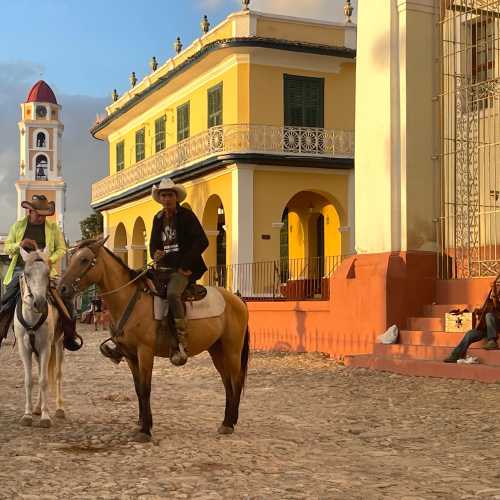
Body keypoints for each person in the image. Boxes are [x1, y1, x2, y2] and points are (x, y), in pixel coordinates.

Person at [100, 178, 209, 366]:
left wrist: (185, 265)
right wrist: (155, 254)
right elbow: (153, 246)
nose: (167, 198)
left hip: (182, 270)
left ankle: (181, 340)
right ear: (159, 198)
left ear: (176, 197)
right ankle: (122, 342)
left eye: (170, 195)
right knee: (137, 289)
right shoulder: (158, 219)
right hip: (162, 269)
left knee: (173, 294)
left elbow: (202, 241)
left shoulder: (186, 216)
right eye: (164, 195)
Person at [0, 195, 82, 351]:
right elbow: (7, 247)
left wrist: (50, 259)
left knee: (66, 299)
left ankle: (69, 335)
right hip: (21, 269)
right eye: (38, 214)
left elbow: (61, 248)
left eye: (44, 215)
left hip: (46, 270)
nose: (41, 218)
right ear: (30, 211)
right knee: (7, 300)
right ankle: (1, 331)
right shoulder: (18, 226)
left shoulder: (53, 228)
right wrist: (19, 244)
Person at [444, 283, 499, 363]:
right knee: (469, 334)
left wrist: (494, 293)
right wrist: (479, 312)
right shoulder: (490, 301)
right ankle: (456, 355)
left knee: (489, 315)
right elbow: (486, 311)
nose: (493, 294)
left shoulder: (496, 300)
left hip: (496, 327)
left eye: (495, 292)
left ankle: (492, 341)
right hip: (485, 329)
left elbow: (496, 306)